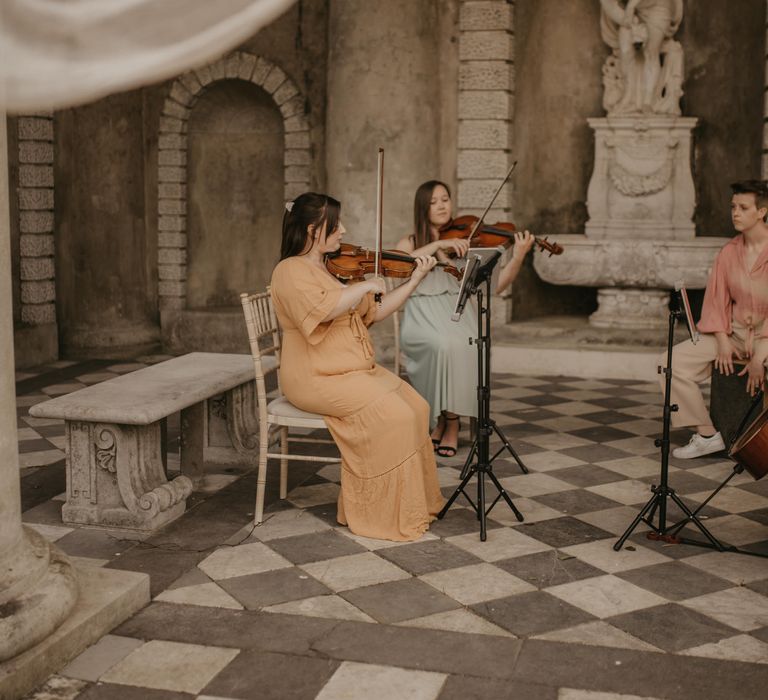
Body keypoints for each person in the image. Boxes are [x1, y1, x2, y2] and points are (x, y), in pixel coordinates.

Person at [270, 192, 444, 541]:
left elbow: (374, 312)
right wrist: (364, 283)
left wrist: (413, 281)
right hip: (315, 376)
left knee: (417, 407)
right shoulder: (289, 270)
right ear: (312, 230)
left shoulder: (335, 268)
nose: (343, 230)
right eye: (335, 225)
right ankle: (378, 513)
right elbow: (326, 309)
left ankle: (412, 506)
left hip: (352, 371)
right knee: (393, 416)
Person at [664, 180, 768, 459]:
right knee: (669, 364)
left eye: (743, 207)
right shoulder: (728, 253)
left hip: (766, 340)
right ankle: (708, 434)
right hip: (731, 334)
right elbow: (716, 302)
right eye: (733, 206)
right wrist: (722, 340)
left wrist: (760, 356)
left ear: (762, 212)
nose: (735, 212)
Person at [395, 181, 476, 458]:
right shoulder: (411, 241)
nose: (442, 205)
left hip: (454, 312)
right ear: (423, 208)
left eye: (445, 199)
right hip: (420, 314)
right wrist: (438, 243)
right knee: (438, 344)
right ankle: (440, 418)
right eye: (434, 201)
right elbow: (398, 264)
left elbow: (469, 281)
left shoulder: (462, 241)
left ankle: (450, 421)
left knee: (457, 344)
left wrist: (449, 249)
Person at [599, 0, 683, 114]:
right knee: (625, 49)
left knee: (650, 52)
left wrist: (631, 6)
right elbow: (608, 4)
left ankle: (647, 103)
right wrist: (628, 20)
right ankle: (628, 96)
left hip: (658, 4)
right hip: (634, 10)